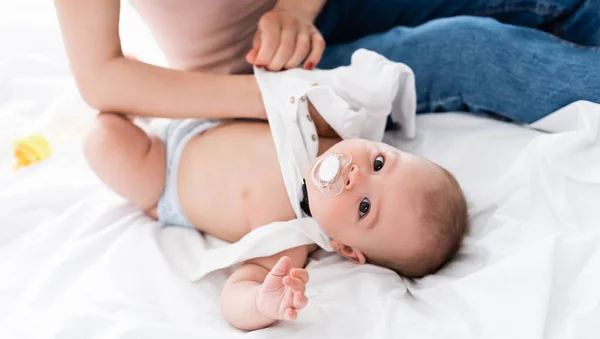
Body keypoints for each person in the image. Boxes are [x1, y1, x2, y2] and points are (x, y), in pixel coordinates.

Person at [81, 54, 468, 330]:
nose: (355, 176)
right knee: (133, 74)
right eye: (380, 164)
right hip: (206, 116)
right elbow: (325, 88)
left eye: (364, 207)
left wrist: (263, 302)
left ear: (346, 248)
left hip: (163, 173)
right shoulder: (338, 131)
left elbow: (237, 295)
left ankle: (138, 166)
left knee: (105, 140)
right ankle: (142, 110)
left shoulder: (289, 238)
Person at [55, 0, 600, 127]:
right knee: (471, 48)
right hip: (258, 78)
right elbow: (100, 74)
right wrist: (273, 99)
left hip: (321, 9)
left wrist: (293, 9)